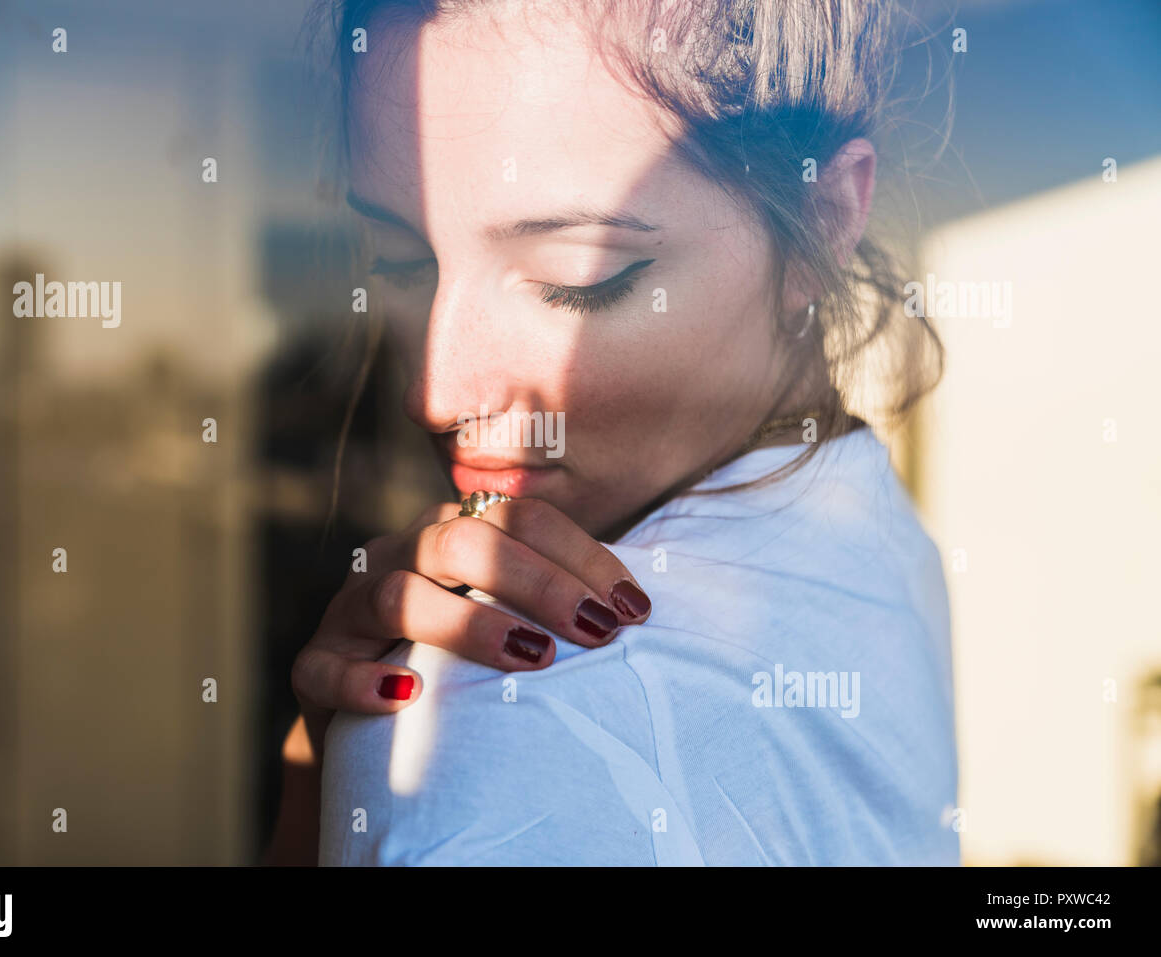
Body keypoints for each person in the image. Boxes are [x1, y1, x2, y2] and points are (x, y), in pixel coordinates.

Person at [264, 0, 956, 865]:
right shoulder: (870, 526)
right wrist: (317, 768)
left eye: (576, 279)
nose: (436, 393)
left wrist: (376, 776)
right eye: (398, 260)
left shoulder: (499, 720)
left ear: (821, 223)